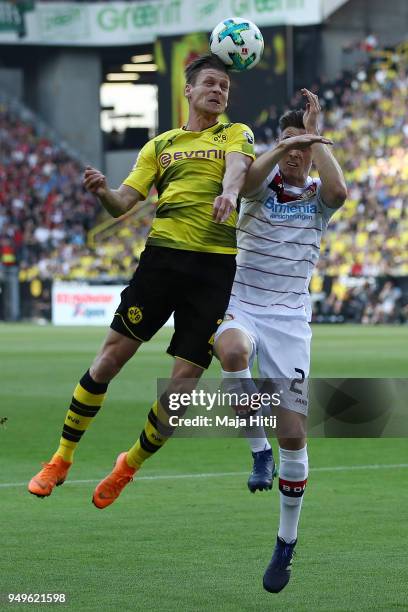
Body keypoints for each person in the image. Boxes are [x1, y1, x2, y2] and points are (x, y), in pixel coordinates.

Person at [28, 54, 256, 508]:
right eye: (209, 84)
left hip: (214, 269)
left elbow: (237, 169)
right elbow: (122, 204)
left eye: (224, 87)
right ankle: (61, 459)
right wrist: (102, 192)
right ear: (188, 91)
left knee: (182, 388)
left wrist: (229, 193)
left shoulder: (236, 133)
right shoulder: (160, 146)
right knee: (110, 359)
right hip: (163, 261)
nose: (218, 92)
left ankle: (127, 466)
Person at [214, 89, 347, 593]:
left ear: (312, 154)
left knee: (294, 434)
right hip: (242, 304)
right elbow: (245, 182)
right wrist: (284, 140)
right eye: (288, 146)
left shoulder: (316, 199)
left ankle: (286, 542)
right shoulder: (260, 183)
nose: (295, 155)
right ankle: (256, 452)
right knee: (231, 351)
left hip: (290, 323)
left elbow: (340, 193)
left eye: (303, 149)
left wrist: (316, 137)